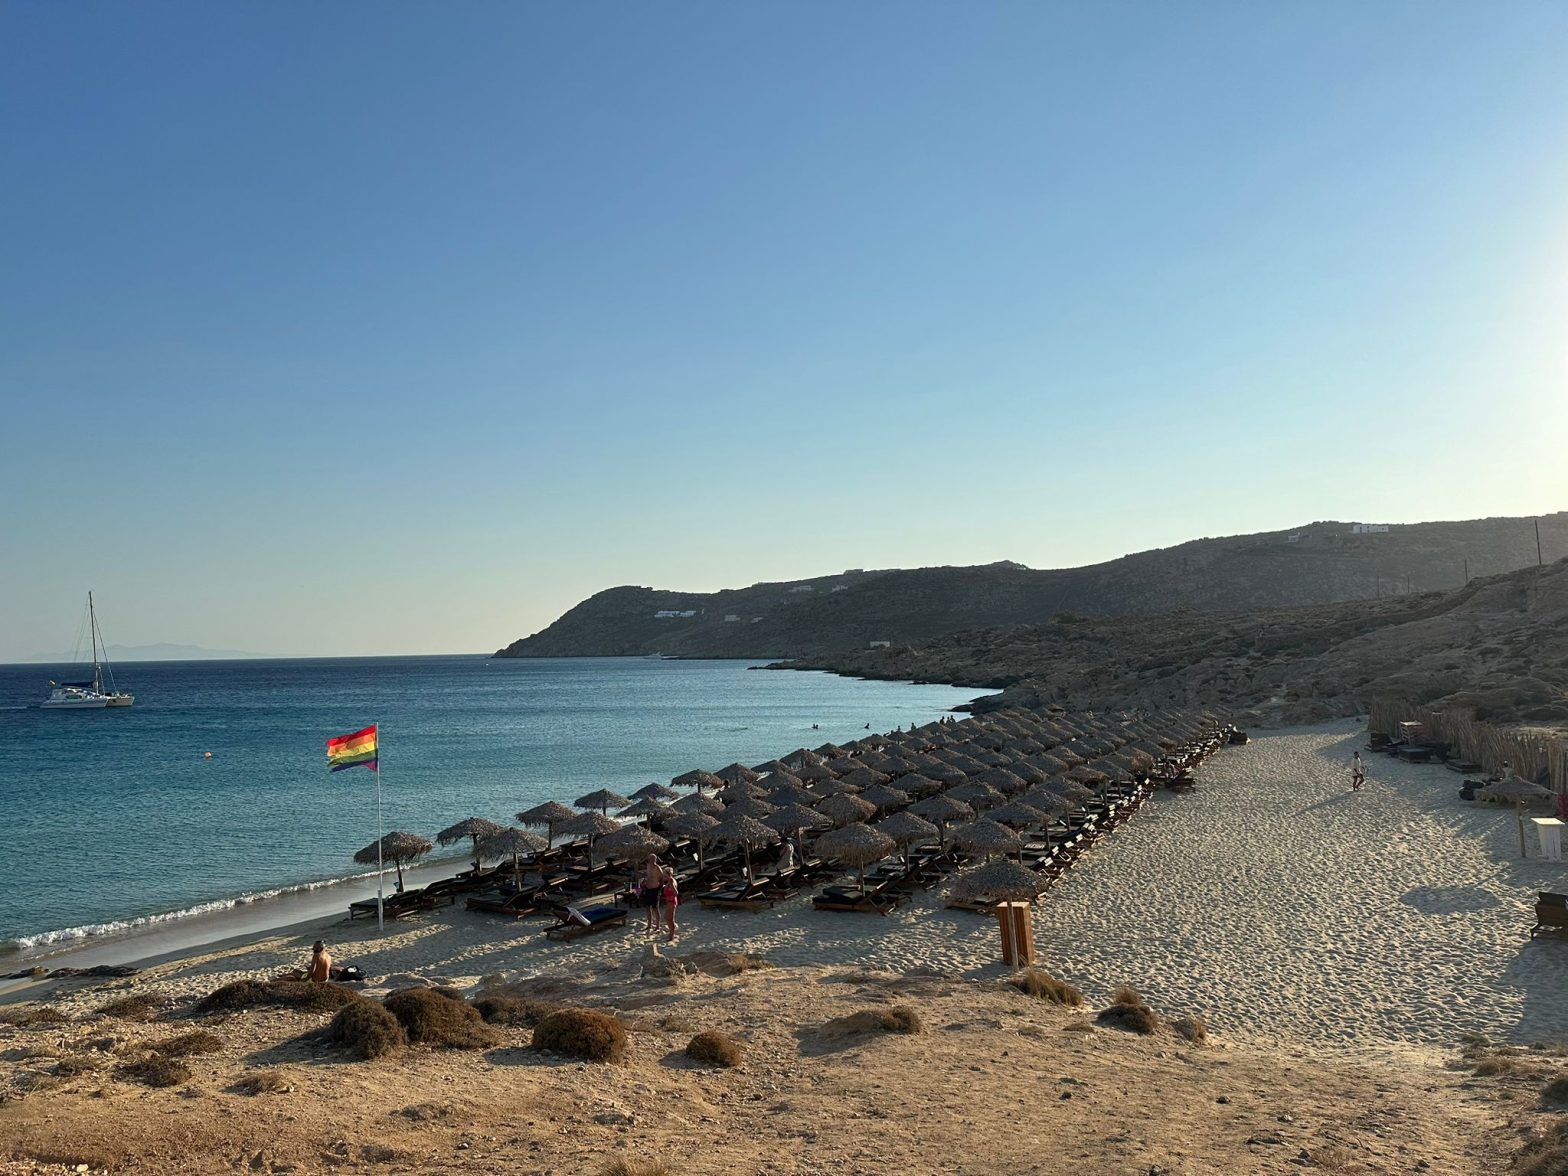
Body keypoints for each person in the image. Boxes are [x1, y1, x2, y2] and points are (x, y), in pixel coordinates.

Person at [640, 854, 664, 932]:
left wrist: (659, 888)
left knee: (655, 908)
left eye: (654, 859)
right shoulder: (648, 866)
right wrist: (645, 882)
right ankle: (649, 924)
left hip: (655, 889)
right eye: (651, 859)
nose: (653, 861)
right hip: (648, 888)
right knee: (647, 907)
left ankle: (657, 926)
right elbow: (648, 876)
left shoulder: (657, 867)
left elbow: (662, 878)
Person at [660, 867, 679, 941]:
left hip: (671, 902)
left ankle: (672, 935)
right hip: (669, 901)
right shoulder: (670, 881)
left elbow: (676, 892)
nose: (664, 877)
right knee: (667, 918)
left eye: (665, 875)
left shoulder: (671, 881)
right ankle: (671, 933)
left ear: (669, 875)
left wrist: (671, 897)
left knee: (670, 919)